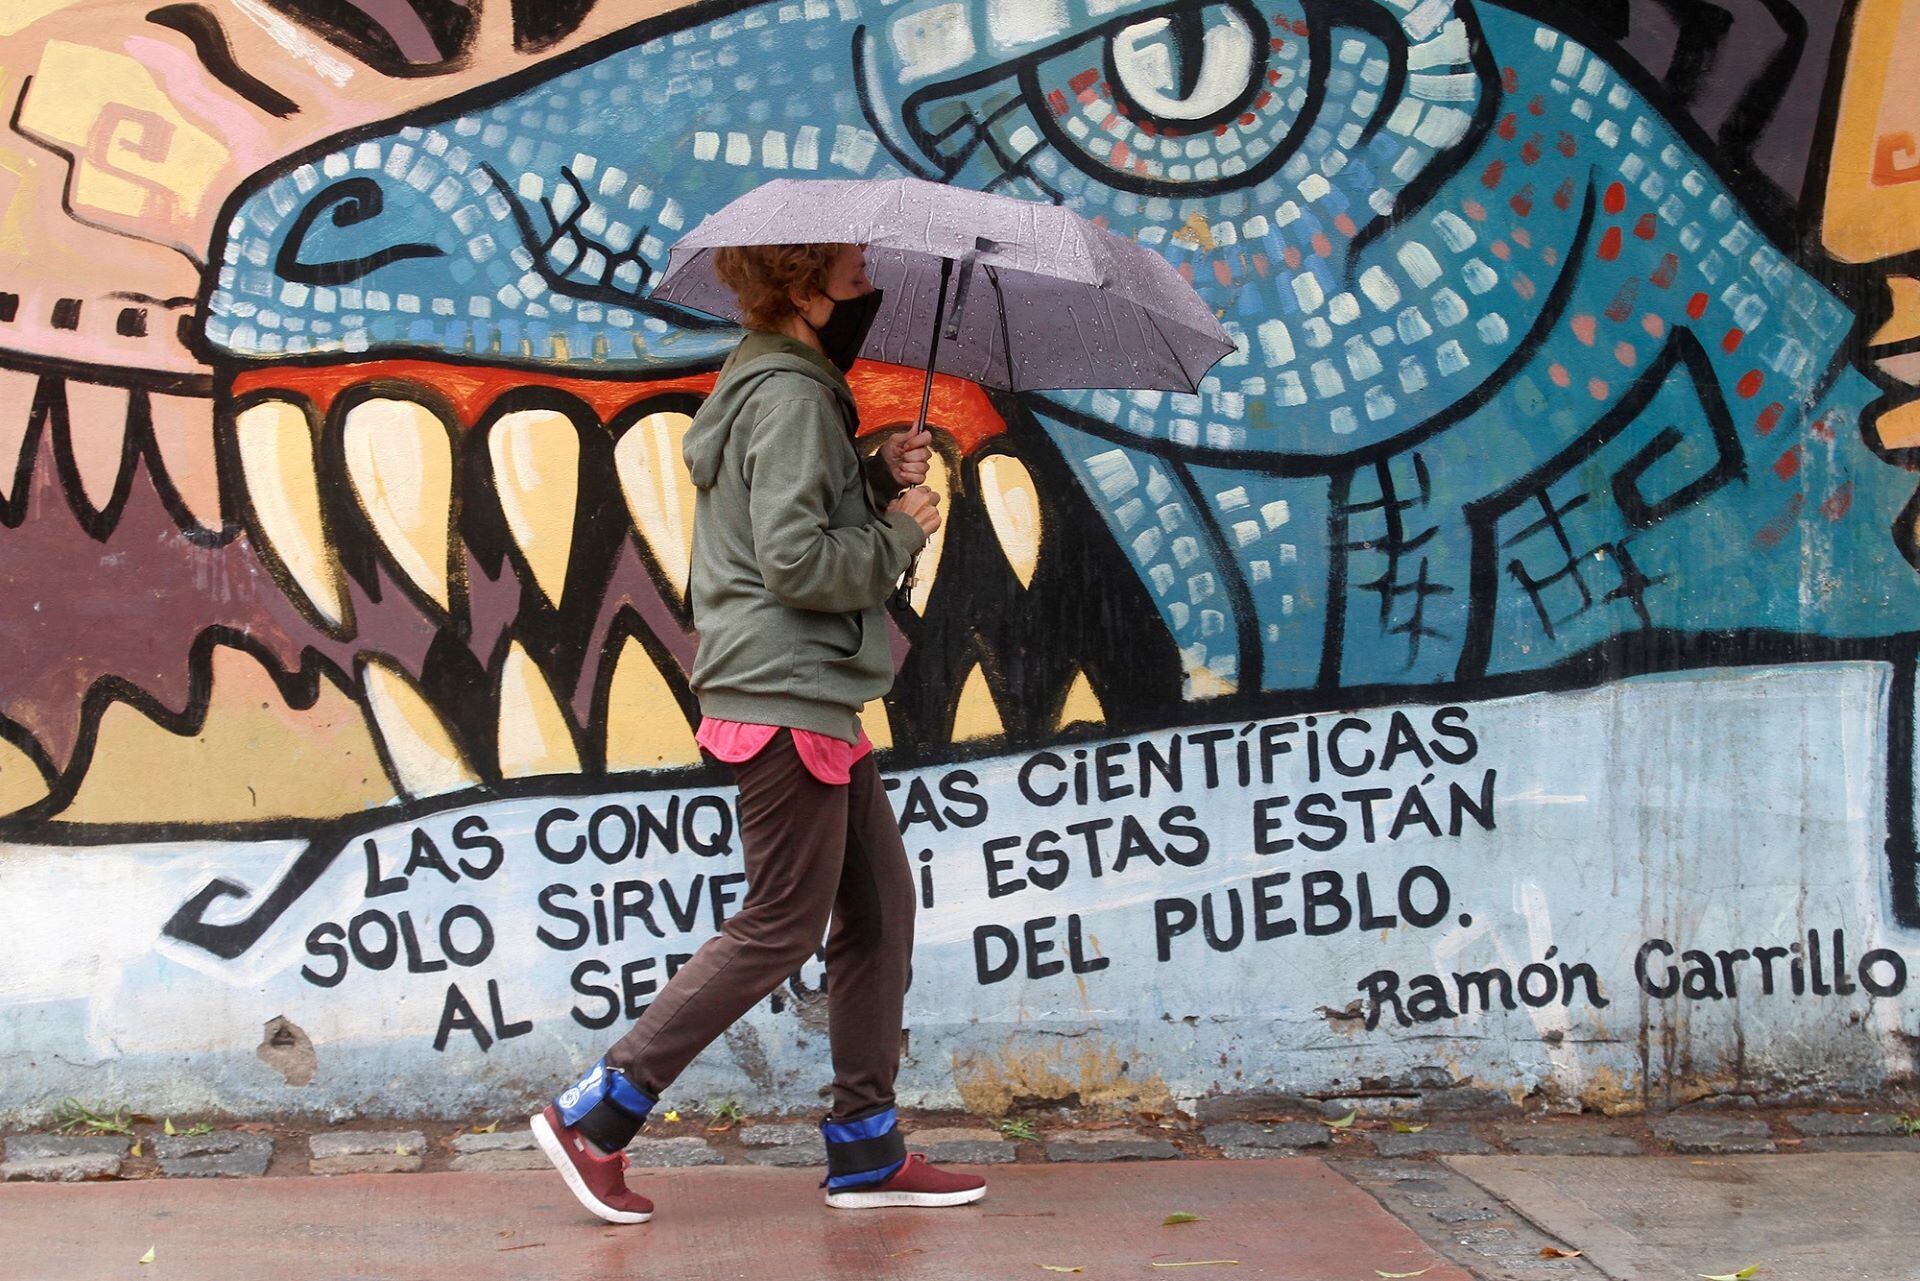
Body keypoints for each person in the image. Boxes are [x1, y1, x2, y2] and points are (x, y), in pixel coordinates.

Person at [531, 242, 986, 1221]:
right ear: (810, 289)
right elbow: (794, 564)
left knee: (877, 913)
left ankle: (866, 1147)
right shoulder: (790, 397)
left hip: (809, 691)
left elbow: (780, 513)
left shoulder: (784, 387)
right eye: (857, 278)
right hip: (786, 691)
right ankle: (599, 1110)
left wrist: (869, 473)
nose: (870, 292)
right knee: (782, 923)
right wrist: (903, 529)